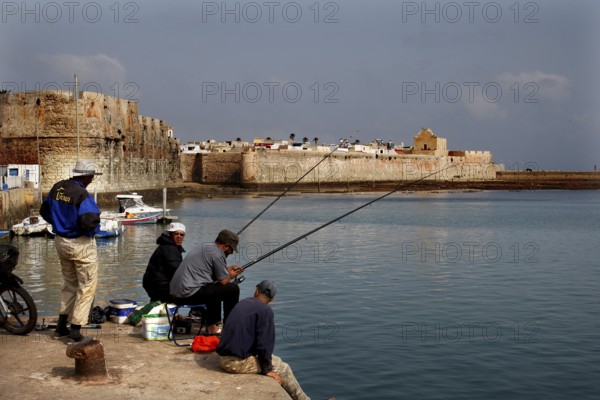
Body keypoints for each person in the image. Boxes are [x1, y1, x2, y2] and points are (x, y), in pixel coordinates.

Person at [40, 159, 102, 342]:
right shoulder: (82, 194)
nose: (91, 180)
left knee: (69, 283)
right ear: (86, 177)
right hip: (80, 243)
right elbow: (89, 220)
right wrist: (88, 231)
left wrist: (59, 224)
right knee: (87, 286)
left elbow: (44, 210)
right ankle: (76, 328)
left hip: (61, 241)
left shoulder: (57, 187)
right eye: (91, 177)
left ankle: (61, 325)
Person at [217, 280, 311, 400]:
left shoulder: (243, 303)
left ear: (256, 292)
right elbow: (264, 343)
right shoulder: (265, 311)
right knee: (283, 368)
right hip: (234, 363)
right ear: (272, 299)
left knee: (276, 360)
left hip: (223, 357)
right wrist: (267, 369)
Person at [170, 229, 244, 334]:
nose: (231, 252)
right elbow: (223, 281)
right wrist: (231, 275)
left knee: (214, 289)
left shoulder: (204, 247)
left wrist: (227, 270)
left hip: (176, 293)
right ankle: (228, 327)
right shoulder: (218, 254)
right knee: (232, 289)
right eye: (231, 249)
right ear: (225, 246)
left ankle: (212, 326)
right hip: (187, 294)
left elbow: (210, 274)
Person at [142, 222, 186, 303]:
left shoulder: (169, 246)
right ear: (170, 234)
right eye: (176, 234)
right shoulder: (169, 248)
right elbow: (177, 270)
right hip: (160, 287)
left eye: (181, 235)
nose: (179, 237)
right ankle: (196, 314)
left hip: (155, 285)